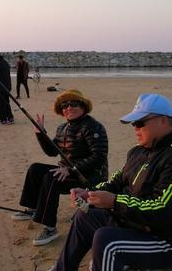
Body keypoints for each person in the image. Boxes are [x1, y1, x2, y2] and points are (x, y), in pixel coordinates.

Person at [51, 93, 172, 271]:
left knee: (107, 241)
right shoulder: (138, 152)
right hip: (136, 224)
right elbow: (116, 182)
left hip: (166, 239)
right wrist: (89, 193)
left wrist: (115, 202)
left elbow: (163, 209)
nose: (135, 128)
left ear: (163, 121)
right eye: (133, 123)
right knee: (85, 216)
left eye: (140, 123)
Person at [12, 89, 108, 246]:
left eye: (73, 104)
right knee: (35, 169)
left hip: (90, 175)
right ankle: (32, 208)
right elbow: (51, 152)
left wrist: (71, 169)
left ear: (83, 106)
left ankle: (49, 227)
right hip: (69, 171)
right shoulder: (62, 127)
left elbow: (98, 157)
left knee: (52, 177)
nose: (68, 107)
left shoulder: (93, 127)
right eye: (64, 105)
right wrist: (41, 133)